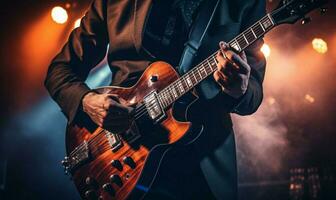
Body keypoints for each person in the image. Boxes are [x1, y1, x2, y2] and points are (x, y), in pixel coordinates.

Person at [45, 0, 266, 199]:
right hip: (126, 152)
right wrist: (87, 101)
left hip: (202, 162)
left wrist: (240, 88)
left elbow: (253, 94)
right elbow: (60, 70)